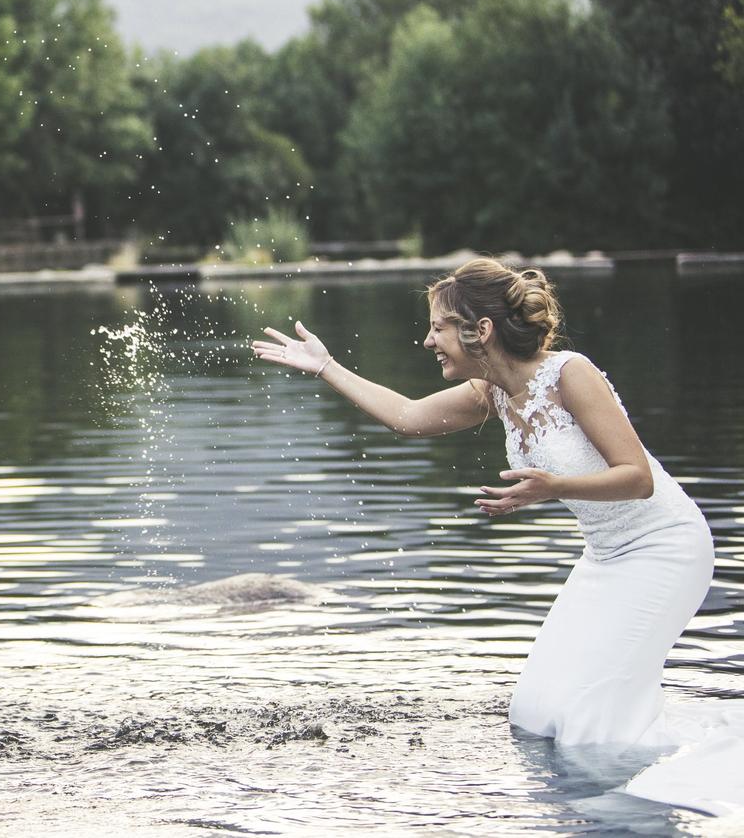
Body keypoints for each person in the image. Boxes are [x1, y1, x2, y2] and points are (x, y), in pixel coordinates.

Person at [252, 258, 741, 813]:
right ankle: (595, 796)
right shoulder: (492, 392)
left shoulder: (569, 374)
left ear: (478, 330)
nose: (428, 339)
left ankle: (622, 814)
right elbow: (409, 417)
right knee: (534, 710)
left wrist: (553, 487)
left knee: (586, 721)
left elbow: (637, 478)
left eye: (438, 326)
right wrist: (326, 367)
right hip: (606, 555)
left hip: (666, 548)